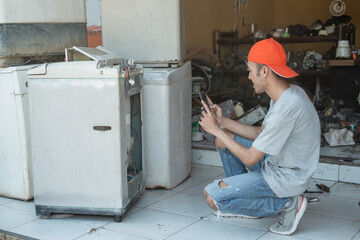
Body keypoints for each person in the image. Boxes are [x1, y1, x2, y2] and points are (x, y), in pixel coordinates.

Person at [199, 38, 320, 236]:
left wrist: (214, 129)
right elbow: (260, 134)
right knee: (223, 140)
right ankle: (245, 193)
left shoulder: (285, 109)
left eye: (250, 70)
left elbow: (250, 158)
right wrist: (222, 122)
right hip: (277, 163)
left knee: (213, 198)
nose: (248, 76)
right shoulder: (287, 94)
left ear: (264, 71)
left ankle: (287, 204)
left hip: (285, 178)